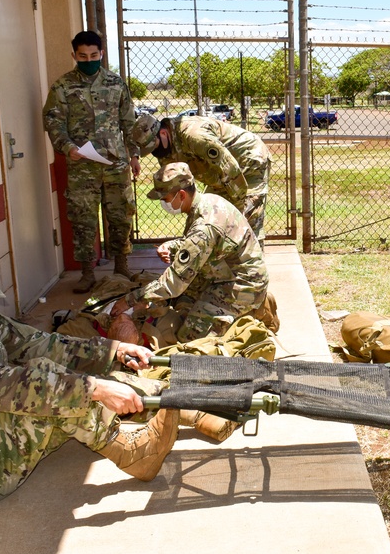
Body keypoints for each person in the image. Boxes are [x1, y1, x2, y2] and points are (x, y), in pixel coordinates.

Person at [0, 252, 178, 508]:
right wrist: (95, 388)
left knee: (54, 374)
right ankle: (133, 454)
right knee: (42, 387)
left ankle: (177, 401)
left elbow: (41, 344)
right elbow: (3, 387)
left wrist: (114, 349)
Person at [111, 162, 268, 343]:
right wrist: (174, 245)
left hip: (242, 283)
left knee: (189, 337)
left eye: (165, 199)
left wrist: (130, 299)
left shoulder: (204, 226)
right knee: (181, 303)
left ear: (182, 194)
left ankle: (250, 311)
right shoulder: (207, 201)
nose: (164, 203)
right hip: (227, 272)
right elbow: (206, 244)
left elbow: (173, 282)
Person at [43, 30, 140, 293]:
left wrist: (134, 155)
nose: (89, 60)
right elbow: (53, 122)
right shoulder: (62, 86)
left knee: (121, 215)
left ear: (101, 54)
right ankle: (87, 273)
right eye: (82, 56)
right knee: (83, 219)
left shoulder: (116, 83)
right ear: (74, 55)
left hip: (115, 164)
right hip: (81, 165)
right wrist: (67, 147)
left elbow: (128, 123)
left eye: (94, 55)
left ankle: (121, 267)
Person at [132, 114, 271, 243]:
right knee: (213, 214)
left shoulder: (194, 135)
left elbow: (229, 168)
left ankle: (253, 265)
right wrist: (186, 241)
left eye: (153, 146)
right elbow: (189, 196)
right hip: (219, 172)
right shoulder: (163, 149)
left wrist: (239, 208)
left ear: (163, 133)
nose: (154, 152)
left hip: (248, 158)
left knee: (247, 218)